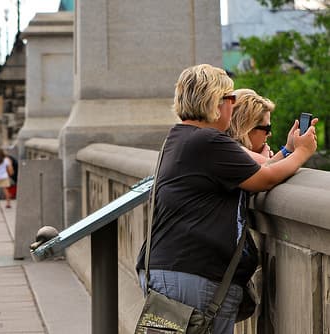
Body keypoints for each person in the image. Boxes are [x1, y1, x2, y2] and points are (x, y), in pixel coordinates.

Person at [135, 64, 317, 333]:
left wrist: (288, 150)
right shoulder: (207, 140)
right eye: (230, 98)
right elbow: (263, 179)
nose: (232, 106)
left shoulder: (180, 137)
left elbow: (252, 170)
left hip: (171, 269)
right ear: (215, 102)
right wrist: (302, 153)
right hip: (192, 274)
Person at [228, 89, 316, 165]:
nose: (269, 134)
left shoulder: (227, 143)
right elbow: (269, 172)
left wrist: (289, 147)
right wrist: (303, 150)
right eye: (267, 128)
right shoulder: (234, 151)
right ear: (248, 127)